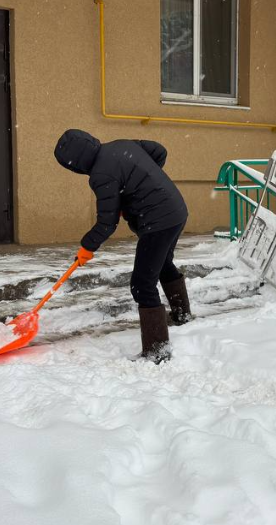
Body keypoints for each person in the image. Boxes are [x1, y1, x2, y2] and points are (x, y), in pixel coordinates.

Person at [54, 129, 192, 362]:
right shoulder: (122, 144)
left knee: (142, 284)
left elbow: (107, 223)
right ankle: (182, 315)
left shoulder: (101, 174)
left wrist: (87, 247)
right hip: (176, 210)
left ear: (75, 164)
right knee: (163, 263)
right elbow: (160, 151)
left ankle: (158, 350)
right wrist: (147, 183)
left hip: (158, 222)